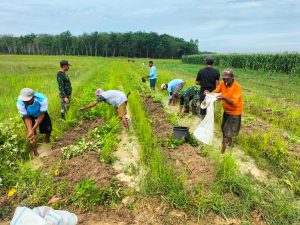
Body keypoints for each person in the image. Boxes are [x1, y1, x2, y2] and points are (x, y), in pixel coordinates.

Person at [209, 69, 242, 154]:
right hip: (226, 111)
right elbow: (216, 92)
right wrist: (209, 94)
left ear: (232, 78)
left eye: (227, 78)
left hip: (234, 112)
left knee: (226, 132)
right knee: (224, 128)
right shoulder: (223, 84)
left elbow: (234, 102)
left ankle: (222, 152)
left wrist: (224, 98)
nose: (224, 80)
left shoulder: (237, 87)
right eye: (223, 78)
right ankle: (230, 143)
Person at [16, 88, 52, 157]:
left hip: (41, 113)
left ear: (33, 97)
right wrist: (31, 131)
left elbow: (42, 114)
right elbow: (26, 117)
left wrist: (34, 128)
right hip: (29, 115)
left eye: (27, 101)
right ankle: (35, 152)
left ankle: (47, 139)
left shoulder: (42, 99)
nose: (25, 102)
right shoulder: (20, 103)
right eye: (24, 101)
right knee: (31, 135)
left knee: (48, 128)